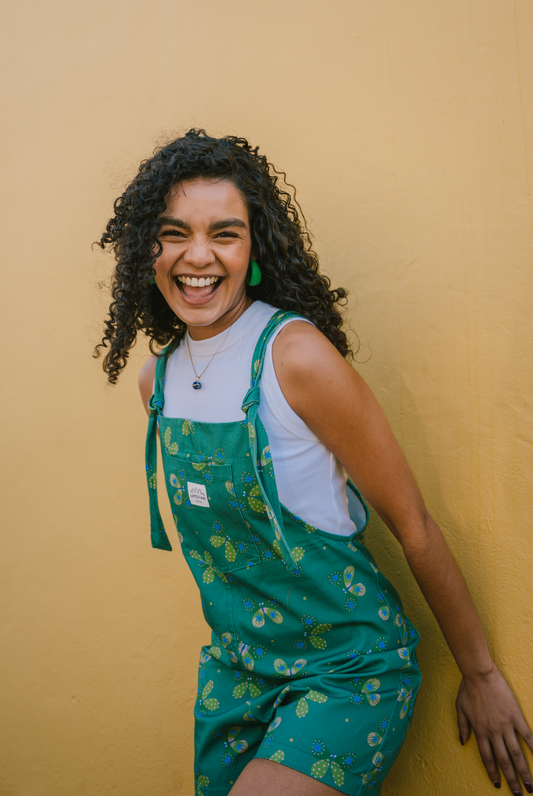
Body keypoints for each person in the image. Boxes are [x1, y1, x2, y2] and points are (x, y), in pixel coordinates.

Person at [95, 129, 533, 796]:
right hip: (234, 676)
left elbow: (411, 522)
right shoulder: (155, 383)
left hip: (345, 672)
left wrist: (479, 675)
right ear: (144, 249)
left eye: (225, 233)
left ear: (254, 249)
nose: (198, 256)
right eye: (173, 232)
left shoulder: (294, 358)